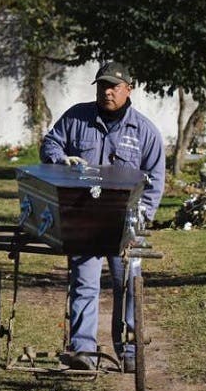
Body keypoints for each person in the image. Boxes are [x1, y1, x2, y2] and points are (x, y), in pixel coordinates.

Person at [40, 61, 165, 372]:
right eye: (102, 86)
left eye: (114, 86)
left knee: (129, 281)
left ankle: (130, 349)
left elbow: (155, 180)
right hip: (85, 220)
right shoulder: (76, 118)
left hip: (124, 224)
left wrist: (141, 218)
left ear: (128, 90)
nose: (107, 91)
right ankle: (83, 350)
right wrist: (60, 159)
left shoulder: (145, 132)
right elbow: (51, 143)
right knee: (85, 279)